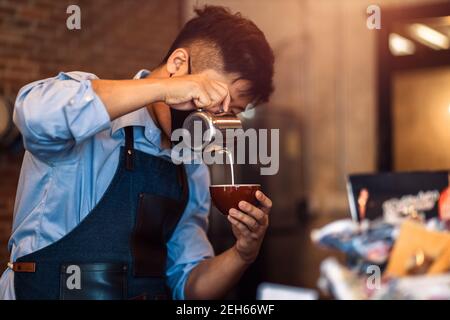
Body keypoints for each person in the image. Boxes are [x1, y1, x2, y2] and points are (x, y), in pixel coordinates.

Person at [0, 5, 274, 300]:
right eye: (216, 101)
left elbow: (189, 283)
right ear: (179, 64)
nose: (217, 122)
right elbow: (33, 116)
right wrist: (163, 89)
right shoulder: (92, 110)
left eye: (229, 114)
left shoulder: (191, 167)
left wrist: (242, 254)